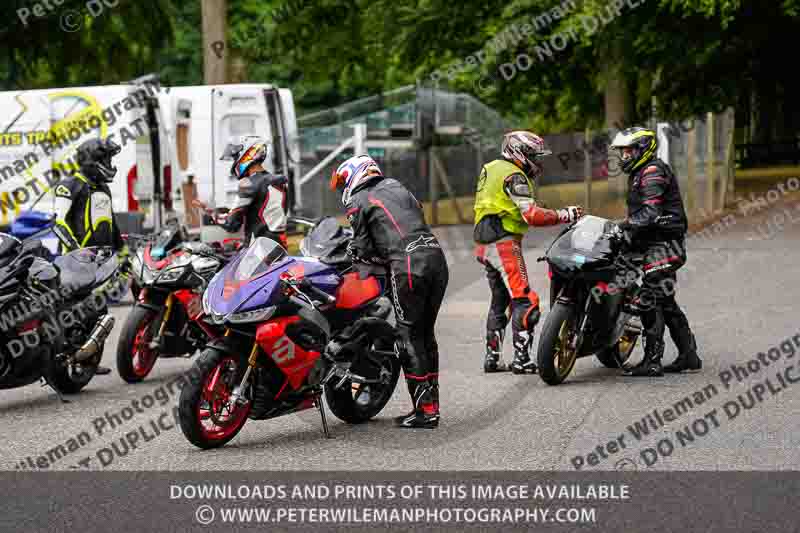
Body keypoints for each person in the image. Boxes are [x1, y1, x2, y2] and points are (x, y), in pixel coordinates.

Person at [330, 155, 449, 429]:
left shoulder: (358, 200)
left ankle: (425, 411)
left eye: (343, 182)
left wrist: (352, 256)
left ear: (355, 174)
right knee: (425, 335)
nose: (343, 189)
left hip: (407, 266)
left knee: (407, 337)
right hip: (436, 259)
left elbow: (361, 250)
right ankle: (432, 405)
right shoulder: (398, 186)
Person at [473, 131, 583, 374]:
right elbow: (532, 215)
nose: (537, 162)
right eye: (534, 156)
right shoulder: (514, 175)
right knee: (526, 302)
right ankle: (522, 360)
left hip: (484, 241)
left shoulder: (491, 168)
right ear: (519, 153)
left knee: (501, 300)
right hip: (503, 242)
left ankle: (493, 358)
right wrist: (565, 214)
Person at [610, 126, 702, 376]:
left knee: (648, 300)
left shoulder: (652, 171)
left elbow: (650, 213)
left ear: (642, 149)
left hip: (665, 245)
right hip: (654, 243)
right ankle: (689, 356)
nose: (624, 156)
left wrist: (622, 226)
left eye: (628, 151)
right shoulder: (640, 172)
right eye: (622, 151)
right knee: (666, 302)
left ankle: (652, 361)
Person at [52, 137, 128, 375]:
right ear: (92, 160)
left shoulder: (103, 189)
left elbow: (112, 224)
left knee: (99, 310)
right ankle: (60, 359)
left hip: (99, 261)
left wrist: (123, 254)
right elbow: (58, 222)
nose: (110, 164)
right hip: (74, 262)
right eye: (106, 159)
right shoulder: (70, 184)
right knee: (72, 312)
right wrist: (77, 251)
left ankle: (90, 361)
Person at [193, 136, 288, 247]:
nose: (234, 162)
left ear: (247, 154)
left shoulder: (248, 183)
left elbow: (231, 224)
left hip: (258, 250)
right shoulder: (281, 180)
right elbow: (263, 210)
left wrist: (210, 213)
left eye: (235, 157)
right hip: (280, 247)